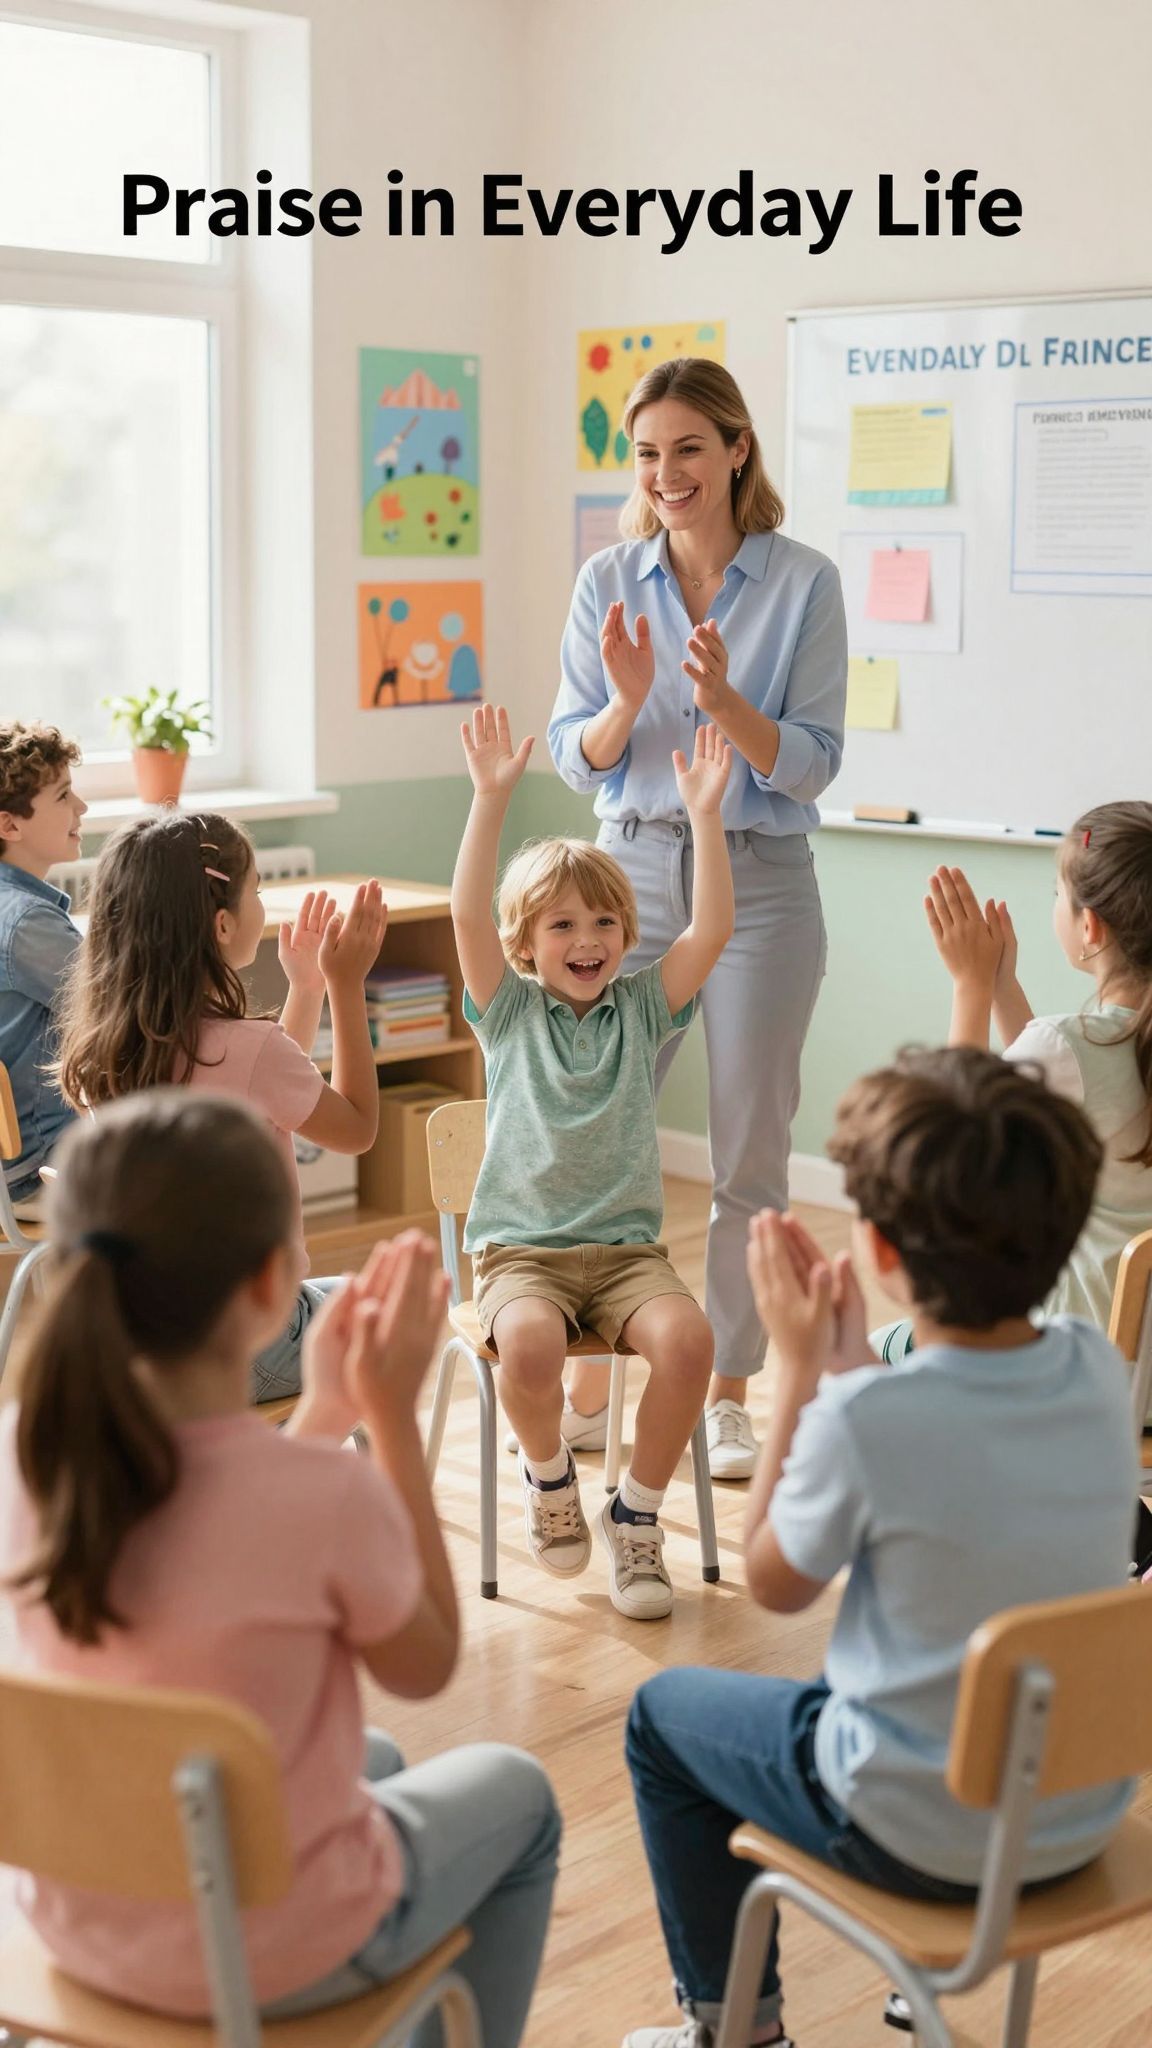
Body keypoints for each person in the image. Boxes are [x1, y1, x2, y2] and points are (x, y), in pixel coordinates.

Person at [0, 1093, 558, 2043]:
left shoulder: (23, 1451)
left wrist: (330, 1413)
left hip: (71, 1926)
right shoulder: (318, 1499)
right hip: (272, 1955)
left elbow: (227, 1517)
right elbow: (424, 1666)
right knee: (521, 1798)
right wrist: (388, 1416)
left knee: (372, 1764)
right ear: (271, 1287)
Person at [623, 1049, 1137, 2048]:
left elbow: (772, 1580)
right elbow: (964, 1462)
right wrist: (851, 1372)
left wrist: (805, 1377)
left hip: (921, 1831)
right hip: (1076, 1812)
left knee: (659, 1718)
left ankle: (738, 2029)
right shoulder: (1094, 1371)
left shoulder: (868, 1417)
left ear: (882, 1252)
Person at [548, 356, 846, 1481]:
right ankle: (587, 1373)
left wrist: (725, 704)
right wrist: (630, 700)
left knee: (748, 1150)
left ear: (735, 449)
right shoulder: (609, 580)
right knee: (598, 1126)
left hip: (762, 877)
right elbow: (577, 755)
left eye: (686, 448)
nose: (665, 473)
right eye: (646, 453)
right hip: (633, 880)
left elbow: (811, 766)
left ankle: (725, 1387)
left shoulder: (803, 580)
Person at [452, 703, 733, 1619]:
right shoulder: (510, 1013)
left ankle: (636, 1515)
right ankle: (549, 1483)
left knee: (691, 1343)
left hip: (625, 1255)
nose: (589, 940)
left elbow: (710, 935)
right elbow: (464, 910)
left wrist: (704, 817)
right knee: (527, 1343)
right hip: (521, 1252)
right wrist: (491, 797)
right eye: (564, 925)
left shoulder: (643, 1010)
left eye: (606, 921)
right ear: (524, 944)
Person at [55, 811, 384, 1401]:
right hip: (254, 1344)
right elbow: (356, 1127)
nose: (263, 901)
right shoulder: (246, 1048)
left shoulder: (107, 1050)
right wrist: (345, 985)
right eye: (256, 889)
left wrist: (304, 989)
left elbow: (258, 1095)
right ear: (224, 924)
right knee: (385, 1312)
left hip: (148, 1340)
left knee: (348, 1295)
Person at [920, 802, 1152, 1334]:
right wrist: (1004, 986)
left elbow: (953, 1150)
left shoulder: (1070, 1046)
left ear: (1088, 926)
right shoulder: (1087, 1046)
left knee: (877, 1348)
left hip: (1076, 1359)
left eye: (1058, 895)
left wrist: (970, 986)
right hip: (1142, 1382)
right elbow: (1057, 1087)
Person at [0, 721, 86, 1218]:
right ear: (10, 825)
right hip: (36, 1170)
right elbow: (116, 1008)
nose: (82, 809)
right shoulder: (25, 922)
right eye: (64, 795)